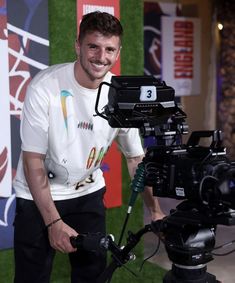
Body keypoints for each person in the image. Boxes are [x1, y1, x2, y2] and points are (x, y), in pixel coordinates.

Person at [13, 11, 164, 283]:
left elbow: (135, 159)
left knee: (93, 276)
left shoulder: (119, 94)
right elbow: (32, 159)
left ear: (117, 54)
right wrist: (53, 222)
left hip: (88, 193)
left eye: (109, 49)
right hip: (37, 198)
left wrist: (154, 208)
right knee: (31, 277)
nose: (100, 56)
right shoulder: (44, 87)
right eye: (93, 46)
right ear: (77, 46)